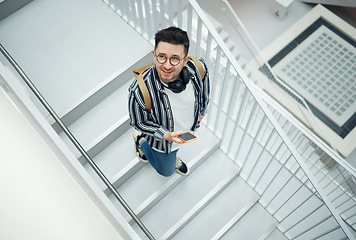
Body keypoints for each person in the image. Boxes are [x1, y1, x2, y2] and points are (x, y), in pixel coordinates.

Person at [128, 26, 210, 177]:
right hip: (162, 142)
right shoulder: (138, 91)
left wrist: (202, 112)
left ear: (185, 60)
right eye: (162, 57)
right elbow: (138, 122)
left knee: (173, 156)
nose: (166, 65)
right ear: (154, 55)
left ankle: (172, 158)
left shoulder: (199, 68)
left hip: (187, 132)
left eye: (174, 59)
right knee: (166, 172)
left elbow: (204, 92)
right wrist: (165, 135)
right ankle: (140, 141)